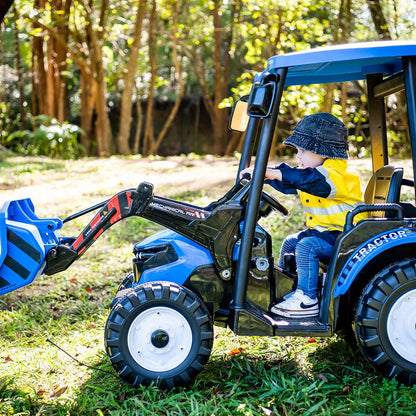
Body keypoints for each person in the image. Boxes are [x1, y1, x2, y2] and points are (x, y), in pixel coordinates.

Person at [241, 112, 366, 318]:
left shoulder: (337, 176)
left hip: (347, 237)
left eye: (302, 150)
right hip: (328, 234)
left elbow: (310, 181)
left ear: (322, 151)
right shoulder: (313, 174)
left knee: (307, 246)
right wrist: (266, 176)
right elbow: (293, 182)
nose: (298, 156)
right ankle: (289, 288)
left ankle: (307, 299)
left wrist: (274, 172)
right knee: (290, 242)